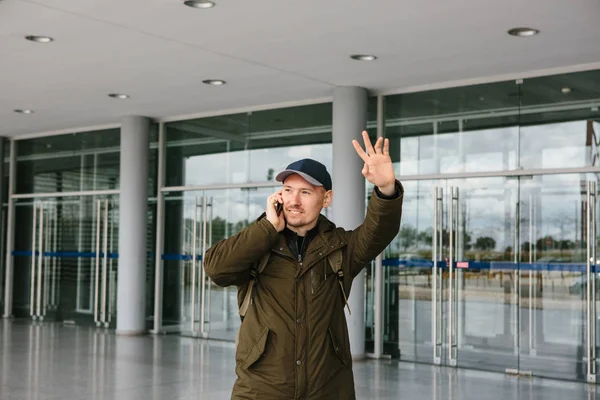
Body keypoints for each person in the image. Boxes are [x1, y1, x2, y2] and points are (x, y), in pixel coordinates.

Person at [204, 131, 404, 400]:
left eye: (305, 192)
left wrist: (386, 190)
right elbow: (216, 268)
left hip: (328, 389)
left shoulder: (341, 248)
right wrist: (266, 228)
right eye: (288, 190)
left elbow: (379, 231)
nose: (293, 201)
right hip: (260, 390)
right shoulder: (258, 243)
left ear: (327, 198)